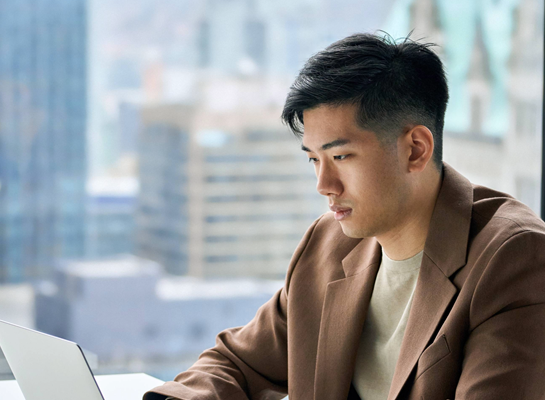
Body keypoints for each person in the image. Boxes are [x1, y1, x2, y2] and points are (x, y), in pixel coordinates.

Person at [143, 33, 545, 400]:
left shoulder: (514, 257)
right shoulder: (329, 244)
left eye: (340, 157)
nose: (324, 184)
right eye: (314, 160)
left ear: (416, 149)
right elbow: (237, 362)